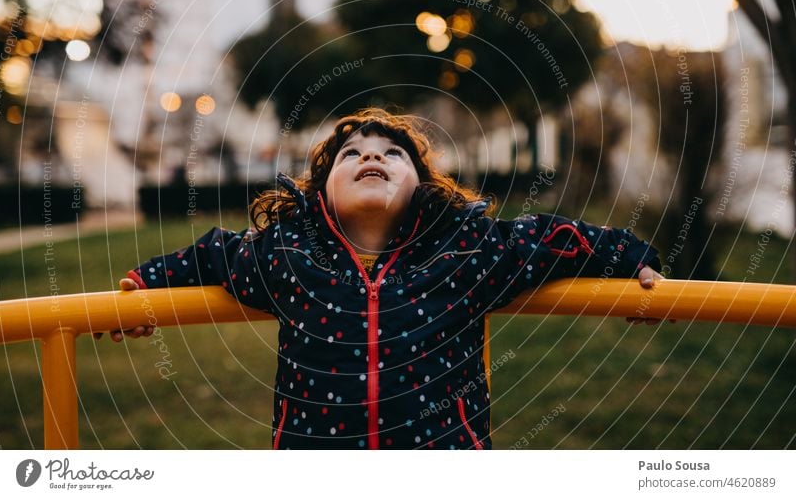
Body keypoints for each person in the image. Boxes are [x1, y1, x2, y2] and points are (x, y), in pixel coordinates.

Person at [108, 108, 663, 449]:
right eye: (351, 153)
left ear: (423, 185)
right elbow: (215, 256)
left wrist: (631, 255)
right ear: (321, 191)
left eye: (392, 153)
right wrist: (143, 288)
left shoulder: (466, 249)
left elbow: (553, 239)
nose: (371, 154)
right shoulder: (286, 253)